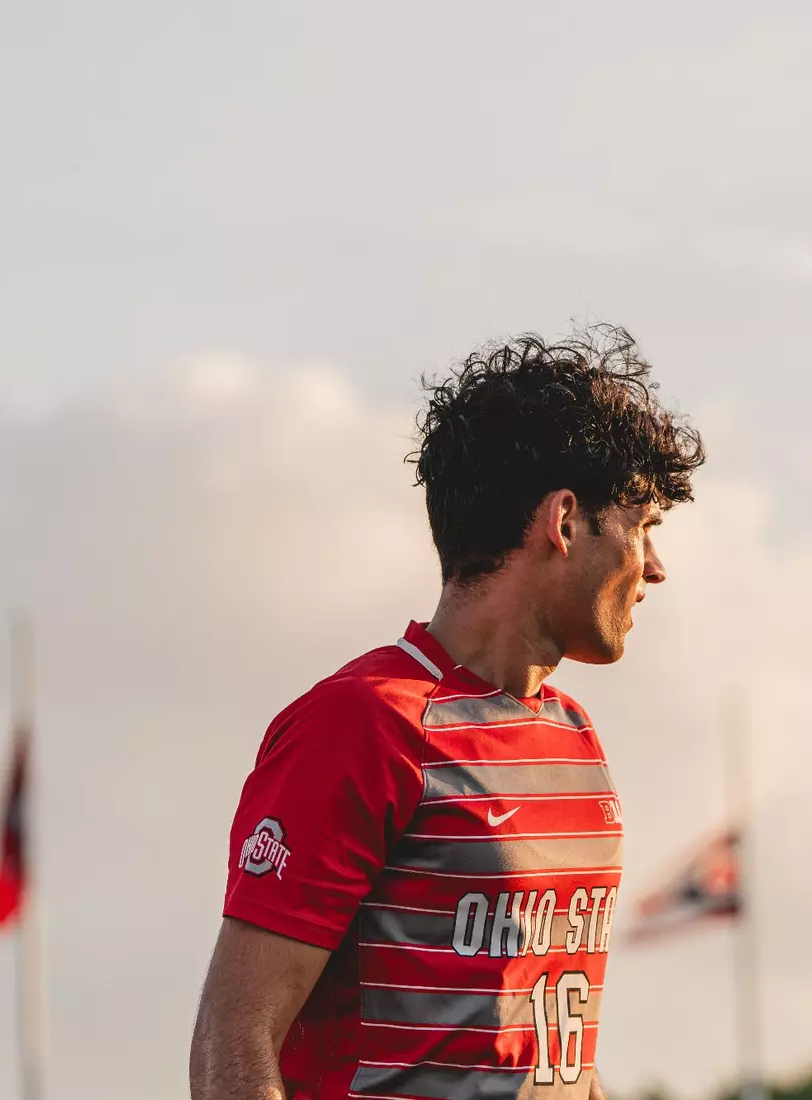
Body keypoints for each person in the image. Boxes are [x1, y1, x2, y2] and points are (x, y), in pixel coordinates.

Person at [189, 325, 705, 1100]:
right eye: (643, 526)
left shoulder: (576, 737)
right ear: (565, 521)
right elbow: (233, 1042)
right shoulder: (359, 726)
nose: (655, 569)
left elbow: (551, 1057)